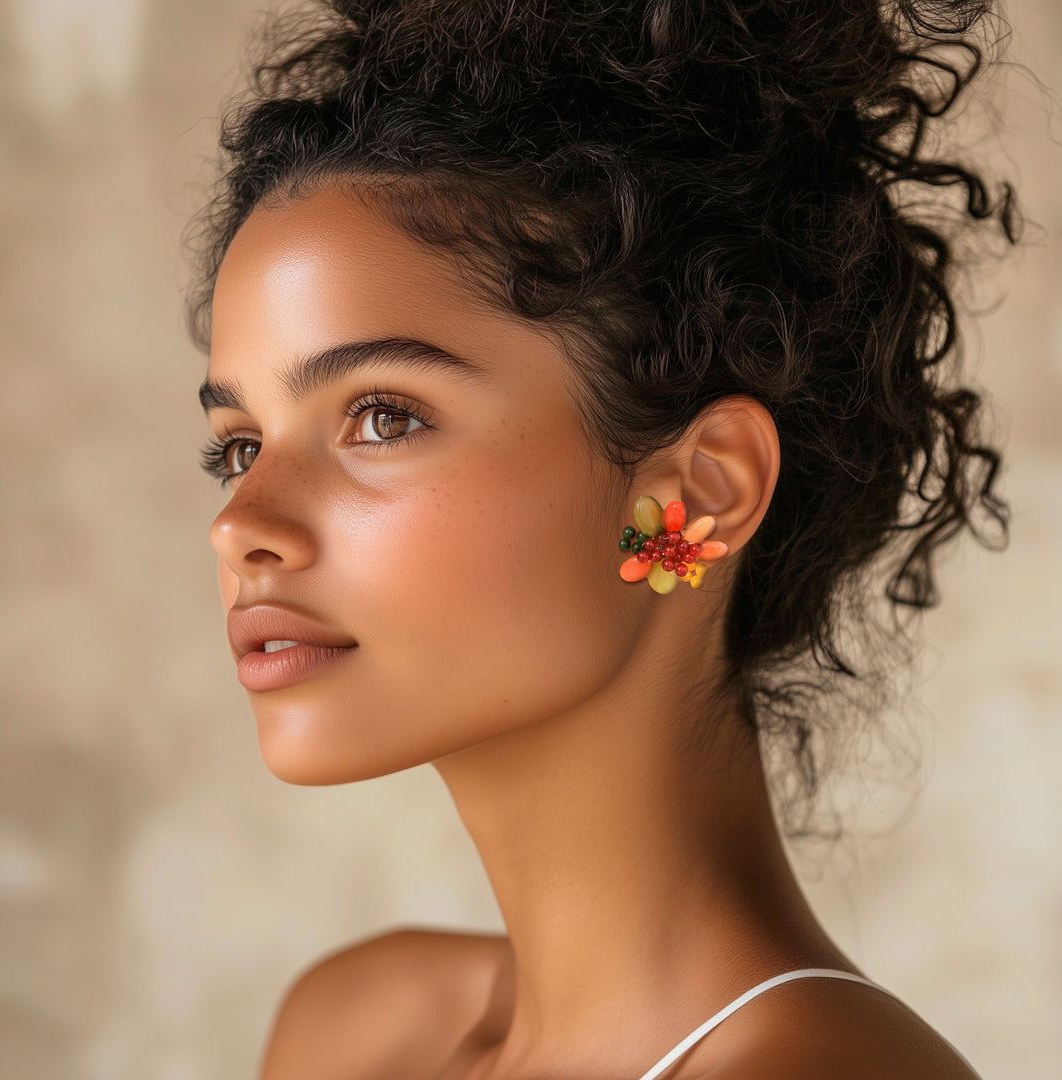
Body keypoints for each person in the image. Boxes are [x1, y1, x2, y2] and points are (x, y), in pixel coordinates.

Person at [186, 1, 1019, 1076]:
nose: (239, 526)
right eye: (240, 445)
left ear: (701, 493)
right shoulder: (355, 1031)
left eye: (384, 416)